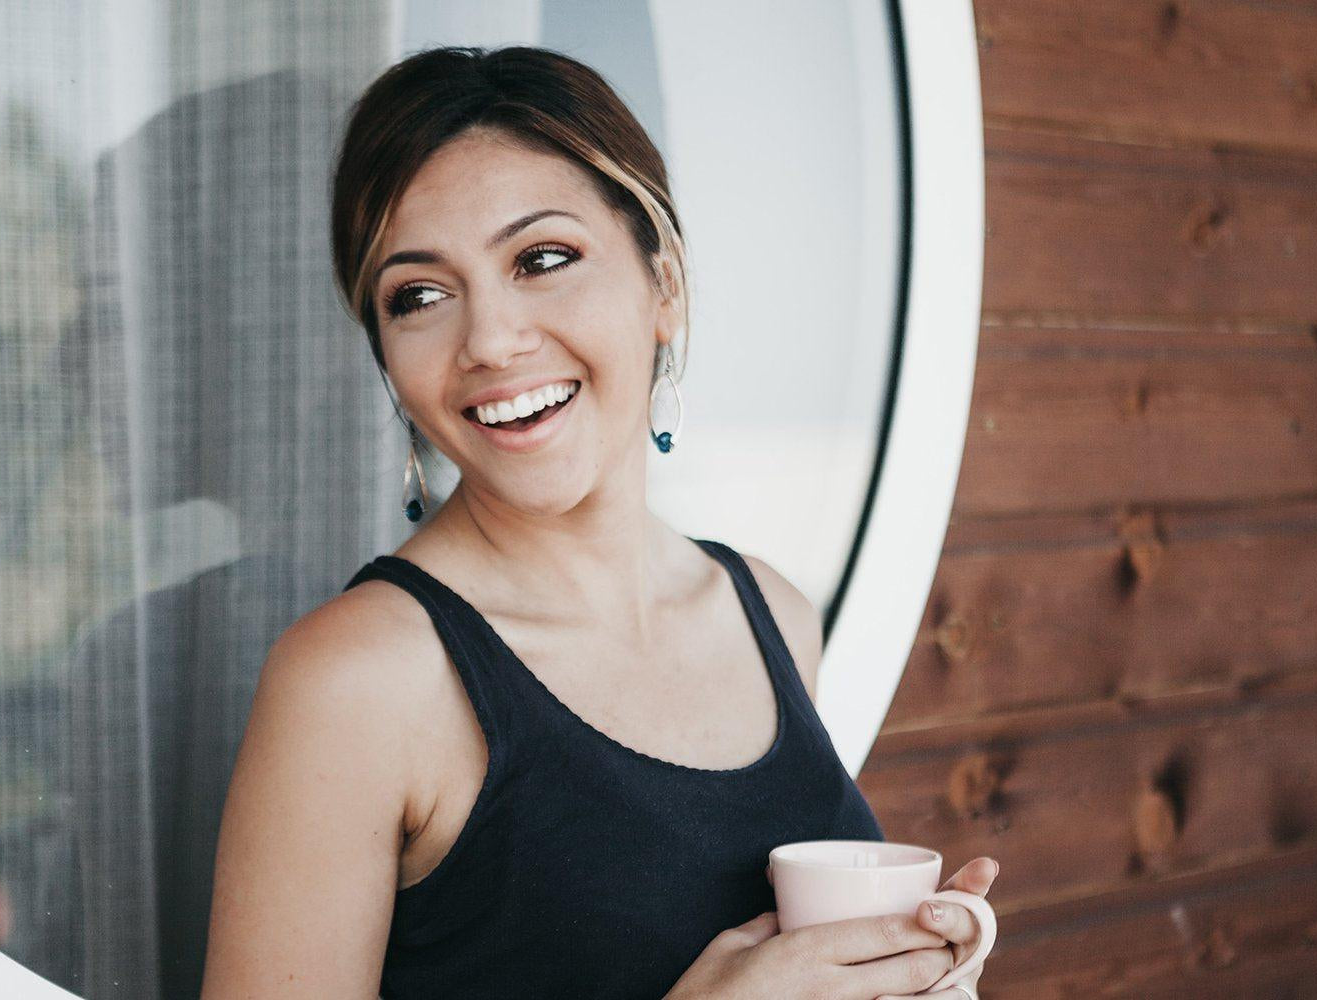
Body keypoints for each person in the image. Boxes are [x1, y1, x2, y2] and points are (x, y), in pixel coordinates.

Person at [201, 45, 999, 1000]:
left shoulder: (772, 614)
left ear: (662, 286)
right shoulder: (359, 683)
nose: (490, 341)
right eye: (419, 296)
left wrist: (913, 969)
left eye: (542, 260)